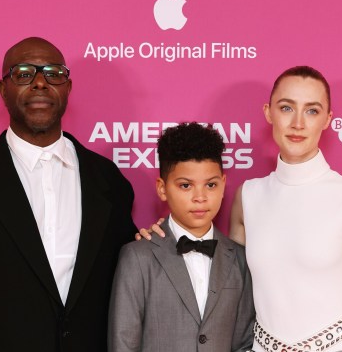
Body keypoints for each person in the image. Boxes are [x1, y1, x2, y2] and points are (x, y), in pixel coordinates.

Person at [140, 67, 342, 352]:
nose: (297, 123)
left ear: (327, 120)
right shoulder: (249, 195)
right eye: (286, 108)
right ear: (269, 112)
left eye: (311, 111)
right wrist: (164, 236)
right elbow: (225, 281)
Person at [0, 37, 137, 352]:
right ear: (2, 89)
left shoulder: (109, 180)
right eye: (23, 73)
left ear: (68, 87)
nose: (39, 83)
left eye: (53, 73)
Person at [109, 122, 255, 352]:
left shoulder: (240, 259)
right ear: (162, 188)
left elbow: (245, 342)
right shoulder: (137, 257)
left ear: (224, 184)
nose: (200, 197)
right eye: (186, 186)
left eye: (211, 185)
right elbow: (123, 343)